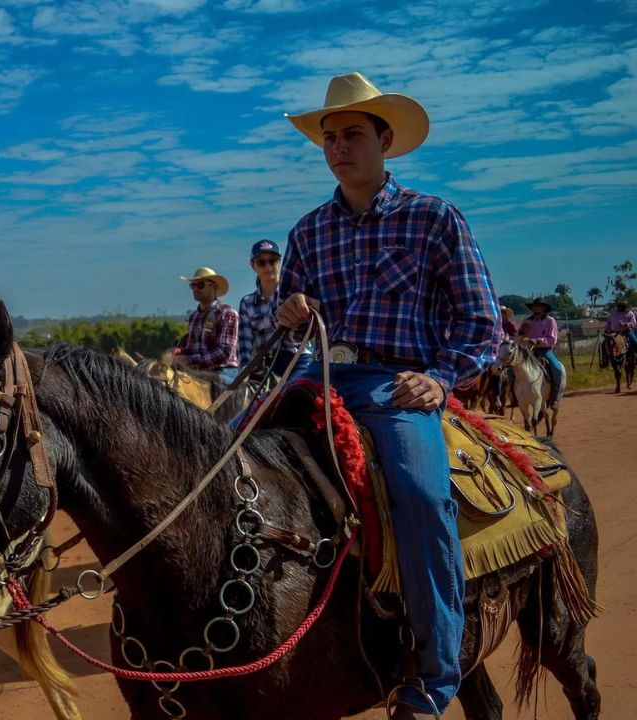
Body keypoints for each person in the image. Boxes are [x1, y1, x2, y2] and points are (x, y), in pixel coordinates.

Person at [275, 72, 499, 719]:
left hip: (395, 385)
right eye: (329, 137)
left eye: (351, 134)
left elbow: (481, 323)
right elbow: (283, 334)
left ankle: (435, 673)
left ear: (385, 139)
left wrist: (440, 376)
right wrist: (287, 316)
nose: (338, 147)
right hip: (314, 379)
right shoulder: (307, 233)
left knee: (423, 496)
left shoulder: (435, 218)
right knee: (220, 452)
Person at [237, 239, 311, 379]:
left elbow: (305, 331)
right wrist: (245, 369)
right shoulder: (247, 303)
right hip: (266, 364)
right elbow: (244, 342)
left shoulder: (293, 295)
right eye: (262, 262)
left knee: (296, 394)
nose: (268, 266)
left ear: (279, 262)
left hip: (297, 358)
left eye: (273, 261)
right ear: (253, 265)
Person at [174, 266, 240, 382]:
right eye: (192, 286)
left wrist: (189, 360)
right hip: (198, 372)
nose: (195, 289)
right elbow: (191, 349)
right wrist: (178, 354)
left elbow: (224, 353)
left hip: (224, 371)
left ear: (213, 286)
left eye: (200, 285)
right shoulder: (194, 317)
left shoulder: (227, 313)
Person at [519, 298, 564, 406]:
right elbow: (519, 335)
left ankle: (555, 396)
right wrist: (522, 334)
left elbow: (552, 339)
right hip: (527, 351)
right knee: (511, 369)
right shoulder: (526, 321)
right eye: (534, 306)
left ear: (544, 308)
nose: (536, 308)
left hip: (544, 350)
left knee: (557, 369)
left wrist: (534, 341)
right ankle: (514, 395)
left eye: (539, 306)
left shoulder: (550, 321)